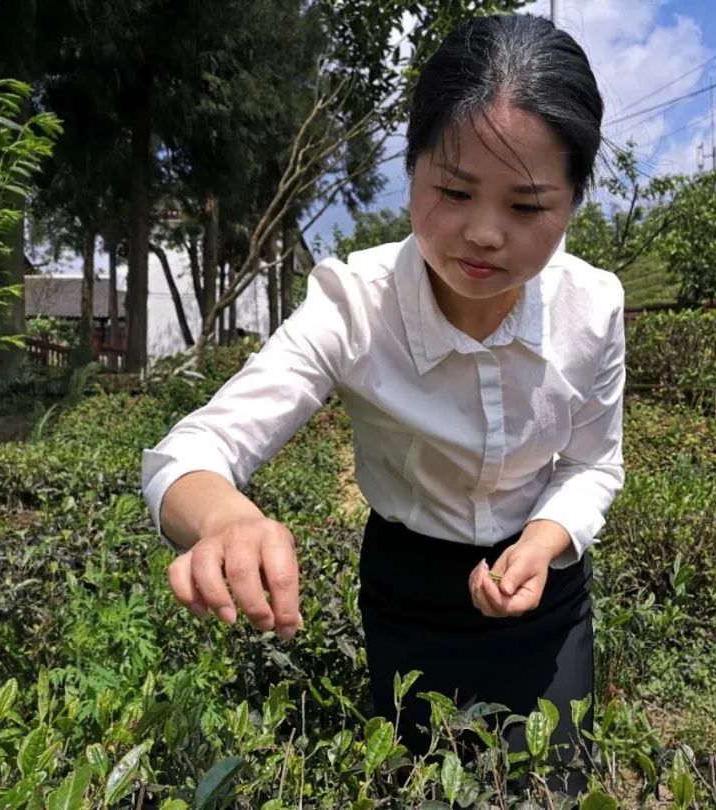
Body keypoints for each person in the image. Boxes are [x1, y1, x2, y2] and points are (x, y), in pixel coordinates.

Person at [141, 12, 625, 794]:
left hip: (548, 590)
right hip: (411, 590)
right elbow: (190, 452)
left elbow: (593, 464)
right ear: (413, 170)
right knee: (422, 780)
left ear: (572, 201)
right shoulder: (353, 306)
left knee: (554, 783)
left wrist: (539, 545)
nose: (483, 233)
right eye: (454, 190)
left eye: (527, 206)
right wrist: (227, 521)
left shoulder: (593, 308)